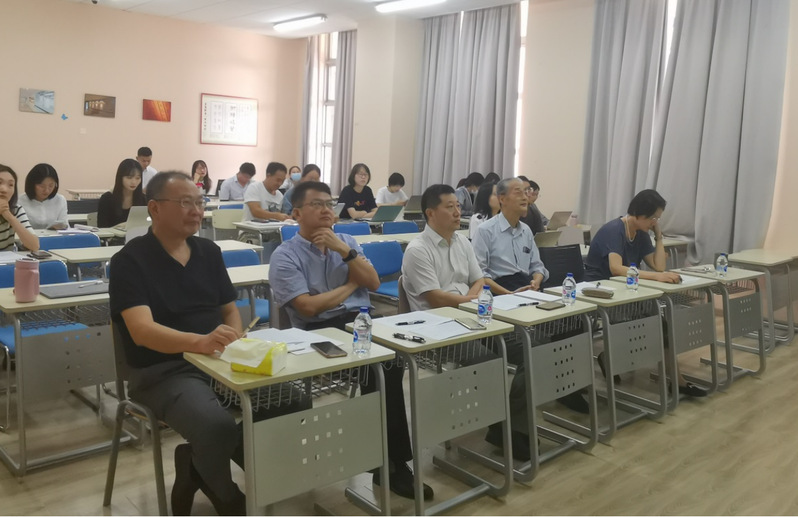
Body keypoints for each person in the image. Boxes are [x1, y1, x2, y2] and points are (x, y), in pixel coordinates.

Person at [269, 181, 433, 501]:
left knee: (396, 361)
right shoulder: (285, 255)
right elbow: (308, 308)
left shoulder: (346, 241)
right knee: (381, 371)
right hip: (318, 333)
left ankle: (385, 457)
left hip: (360, 322)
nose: (326, 210)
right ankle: (392, 465)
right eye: (317, 204)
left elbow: (372, 282)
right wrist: (349, 286)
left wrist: (345, 252)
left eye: (329, 204)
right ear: (297, 213)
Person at [109, 172, 250, 516]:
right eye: (186, 202)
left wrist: (233, 342)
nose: (197, 211)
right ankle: (225, 492)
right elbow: (142, 331)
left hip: (217, 361)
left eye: (200, 202)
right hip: (162, 372)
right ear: (154, 208)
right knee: (215, 426)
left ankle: (197, 463)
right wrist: (201, 342)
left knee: (288, 402)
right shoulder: (130, 261)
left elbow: (229, 311)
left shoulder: (209, 251)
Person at [401, 183, 531, 461]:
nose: (458, 212)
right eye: (450, 207)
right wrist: (472, 299)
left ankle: (510, 425)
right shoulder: (417, 249)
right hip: (437, 328)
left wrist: (471, 299)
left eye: (458, 206)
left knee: (530, 347)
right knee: (488, 362)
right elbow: (435, 298)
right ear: (430, 213)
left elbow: (479, 279)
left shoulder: (462, 242)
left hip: (472, 317)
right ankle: (505, 429)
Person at [583, 190, 706, 398]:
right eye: (653, 218)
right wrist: (657, 277)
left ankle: (678, 381)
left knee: (661, 325)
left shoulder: (640, 234)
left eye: (658, 218)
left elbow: (659, 266)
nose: (655, 222)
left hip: (627, 290)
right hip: (601, 291)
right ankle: (610, 357)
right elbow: (616, 268)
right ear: (639, 214)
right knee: (640, 326)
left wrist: (658, 236)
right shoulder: (614, 230)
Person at [472, 178, 548, 294]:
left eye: (526, 193)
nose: (525, 197)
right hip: (499, 291)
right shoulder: (485, 230)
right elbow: (479, 275)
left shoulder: (526, 230)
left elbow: (537, 266)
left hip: (527, 288)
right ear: (502, 199)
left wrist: (536, 282)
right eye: (518, 193)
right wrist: (509, 294)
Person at [0, 164, 39, 252]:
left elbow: (34, 246)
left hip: (8, 260)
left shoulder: (16, 209)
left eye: (10, 185)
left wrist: (9, 216)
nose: (4, 189)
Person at [97, 158, 146, 228]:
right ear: (120, 177)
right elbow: (102, 228)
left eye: (137, 178)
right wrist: (120, 227)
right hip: (111, 235)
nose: (134, 182)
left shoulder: (144, 199)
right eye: (129, 177)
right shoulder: (107, 199)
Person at [19, 163, 68, 230]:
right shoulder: (19, 201)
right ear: (32, 184)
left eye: (51, 186)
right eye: (42, 186)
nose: (46, 190)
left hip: (53, 236)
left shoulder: (60, 200)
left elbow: (65, 225)